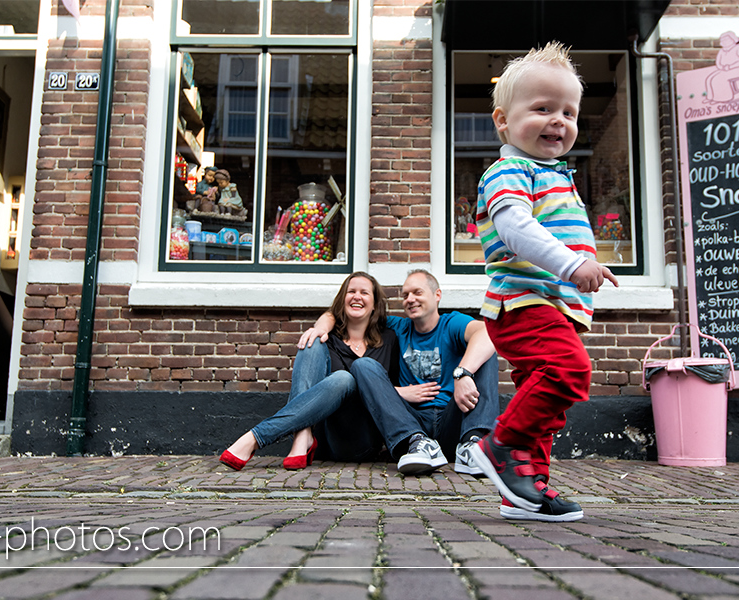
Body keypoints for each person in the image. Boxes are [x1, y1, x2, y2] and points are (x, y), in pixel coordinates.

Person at [467, 42, 619, 522]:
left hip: (556, 306)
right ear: (502, 121)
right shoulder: (509, 170)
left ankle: (527, 490)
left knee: (547, 409)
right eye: (542, 108)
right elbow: (516, 230)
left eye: (569, 112)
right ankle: (500, 445)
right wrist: (574, 265)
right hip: (523, 302)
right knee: (568, 372)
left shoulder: (557, 175)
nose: (559, 120)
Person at [300, 269, 499, 476]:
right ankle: (417, 443)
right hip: (412, 421)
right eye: (405, 295)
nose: (410, 299)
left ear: (437, 295)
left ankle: (472, 446)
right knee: (363, 365)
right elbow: (342, 312)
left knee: (485, 353)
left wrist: (462, 373)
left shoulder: (451, 324)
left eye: (417, 293)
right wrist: (321, 328)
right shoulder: (398, 326)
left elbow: (487, 333)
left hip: (452, 419)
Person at [221, 272, 397, 470]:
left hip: (362, 440)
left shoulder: (388, 340)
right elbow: (328, 319)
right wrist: (320, 327)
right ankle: (302, 435)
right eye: (351, 291)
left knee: (344, 379)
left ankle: (256, 437)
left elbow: (389, 392)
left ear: (374, 304)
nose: (357, 296)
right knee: (312, 341)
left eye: (364, 292)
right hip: (327, 435)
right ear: (342, 300)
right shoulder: (328, 339)